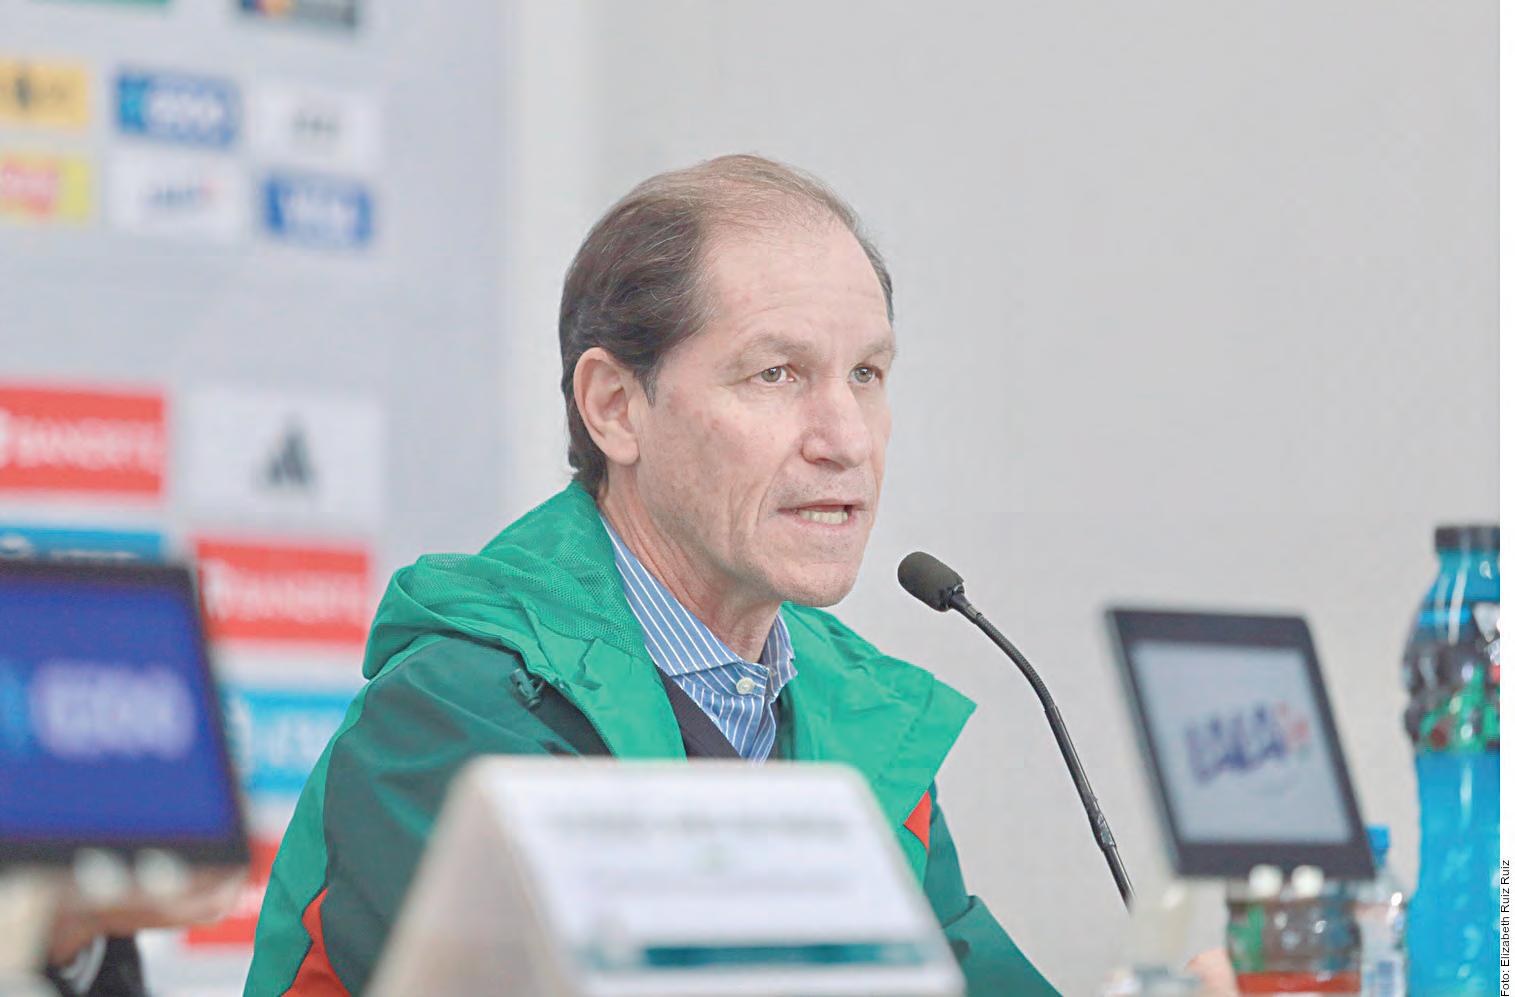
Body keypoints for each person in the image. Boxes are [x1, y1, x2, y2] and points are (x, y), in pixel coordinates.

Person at [245, 154, 1061, 995]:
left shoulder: (860, 716)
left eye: (865, 374)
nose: (847, 438)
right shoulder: (458, 709)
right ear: (615, 407)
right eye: (775, 373)